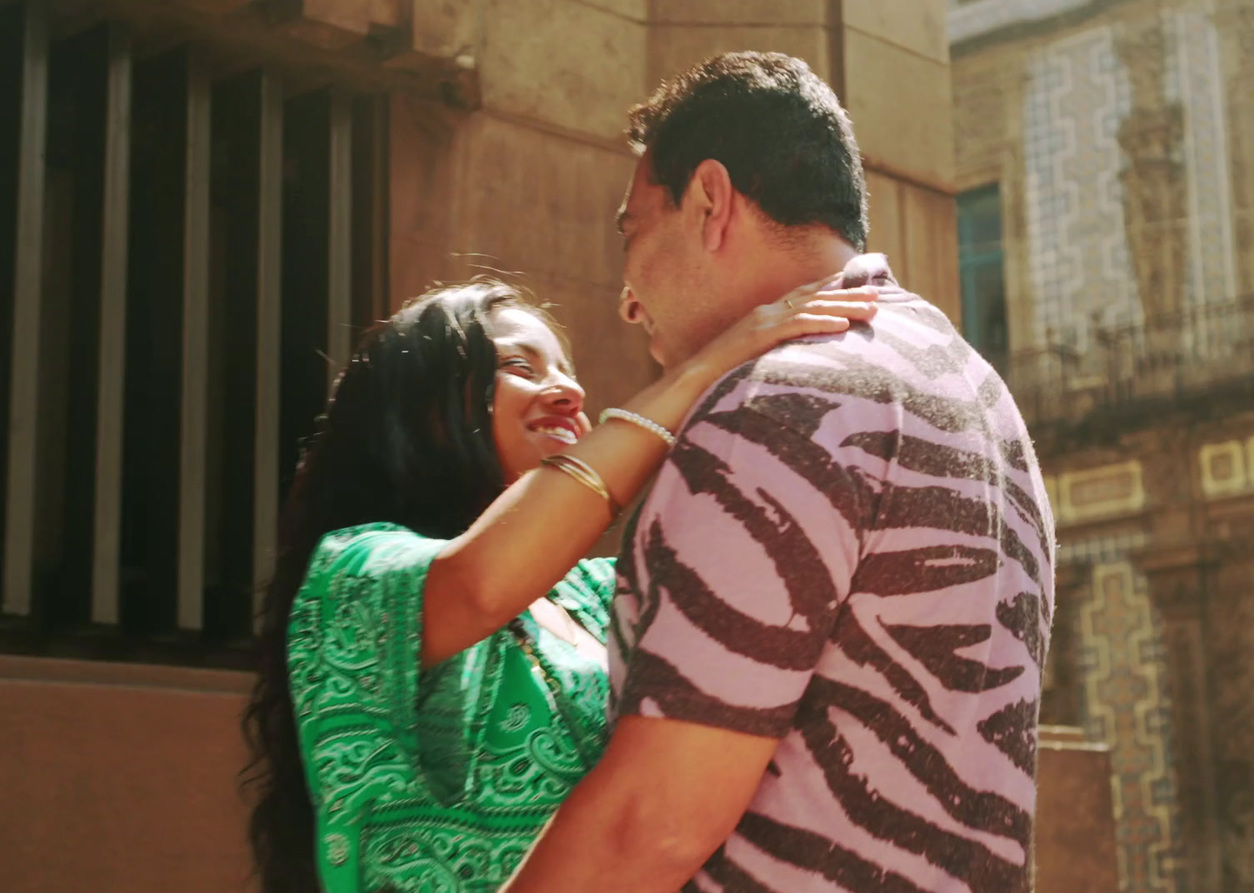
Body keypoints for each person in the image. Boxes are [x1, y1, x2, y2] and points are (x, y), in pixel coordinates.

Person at [502, 52, 1055, 893]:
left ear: (712, 202)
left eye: (633, 229)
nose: (626, 297)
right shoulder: (978, 392)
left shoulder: (782, 405)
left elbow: (647, 826)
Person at [240, 276, 880, 892]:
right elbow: (478, 585)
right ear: (422, 411)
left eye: (565, 368)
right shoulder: (354, 572)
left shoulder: (603, 592)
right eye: (522, 368)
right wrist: (701, 369)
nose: (569, 391)